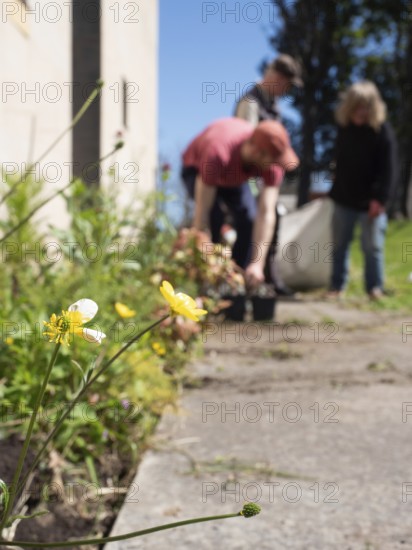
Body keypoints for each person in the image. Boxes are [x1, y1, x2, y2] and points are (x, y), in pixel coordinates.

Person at [181, 117, 299, 288]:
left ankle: (236, 281)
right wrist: (202, 249)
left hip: (234, 176)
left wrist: (258, 264)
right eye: (273, 161)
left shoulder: (271, 164)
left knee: (248, 220)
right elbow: (202, 212)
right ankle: (204, 283)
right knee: (214, 217)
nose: (276, 167)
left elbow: (266, 213)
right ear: (257, 152)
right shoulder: (217, 152)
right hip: (198, 169)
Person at [234, 54, 303, 296]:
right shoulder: (251, 103)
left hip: (268, 179)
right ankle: (242, 280)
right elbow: (249, 144)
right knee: (251, 222)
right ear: (275, 76)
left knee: (272, 220)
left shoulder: (273, 106)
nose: (287, 91)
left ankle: (267, 275)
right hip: (250, 178)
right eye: (287, 84)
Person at [328, 81, 398, 300]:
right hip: (343, 198)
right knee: (339, 245)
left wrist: (380, 199)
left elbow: (390, 168)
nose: (361, 111)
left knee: (372, 247)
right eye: (357, 106)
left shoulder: (382, 131)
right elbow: (339, 161)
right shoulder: (344, 129)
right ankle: (336, 286)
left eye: (366, 106)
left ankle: (374, 288)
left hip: (371, 202)